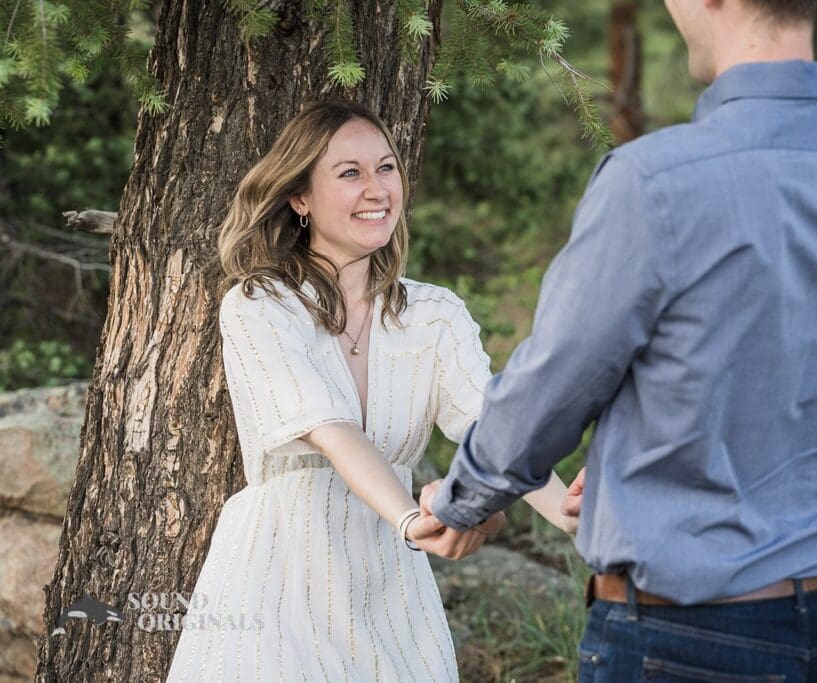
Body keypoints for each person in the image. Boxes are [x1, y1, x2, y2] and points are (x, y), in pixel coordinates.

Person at [422, 0, 817, 680]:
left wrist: (463, 499)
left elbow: (549, 390)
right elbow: (802, 378)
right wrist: (626, 470)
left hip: (679, 641)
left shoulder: (654, 183)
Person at [165, 100, 577, 682]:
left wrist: (569, 515)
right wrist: (413, 521)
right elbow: (332, 430)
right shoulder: (262, 306)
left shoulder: (434, 314)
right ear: (299, 198)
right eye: (350, 173)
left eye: (386, 168)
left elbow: (495, 430)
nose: (377, 188)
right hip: (276, 577)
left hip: (390, 587)